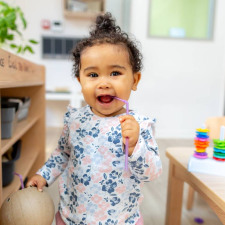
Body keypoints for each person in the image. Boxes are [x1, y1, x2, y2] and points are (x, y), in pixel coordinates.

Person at [27, 12, 162, 225]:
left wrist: (136, 145)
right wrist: (43, 175)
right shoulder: (74, 120)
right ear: (80, 81)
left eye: (115, 73)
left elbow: (152, 173)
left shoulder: (139, 126)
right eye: (92, 75)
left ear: (135, 80)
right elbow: (62, 154)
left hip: (121, 220)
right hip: (72, 217)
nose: (103, 83)